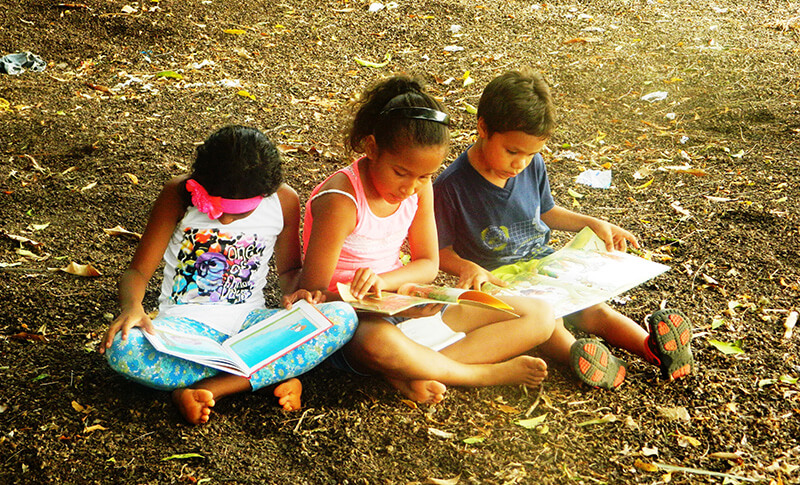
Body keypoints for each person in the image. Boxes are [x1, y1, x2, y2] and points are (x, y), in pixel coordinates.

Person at [299, 75, 556, 404]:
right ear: (372, 148)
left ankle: (412, 369)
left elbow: (427, 264)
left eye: (423, 176)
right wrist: (365, 293)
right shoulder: (342, 201)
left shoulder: (420, 188)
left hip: (404, 307)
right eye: (401, 173)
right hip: (354, 321)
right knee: (375, 342)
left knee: (539, 315)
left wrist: (392, 285)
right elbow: (313, 295)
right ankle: (474, 373)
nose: (410, 188)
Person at [433, 69, 694, 390]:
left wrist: (592, 222)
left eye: (531, 154)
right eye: (513, 151)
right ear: (483, 127)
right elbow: (439, 251)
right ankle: (585, 358)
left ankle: (653, 349)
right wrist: (468, 267)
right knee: (550, 321)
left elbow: (547, 212)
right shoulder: (451, 187)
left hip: (545, 265)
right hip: (501, 282)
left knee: (594, 309)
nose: (521, 164)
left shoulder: (532, 167)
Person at [99, 125, 357, 424]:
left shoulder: (284, 200)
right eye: (218, 208)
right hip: (185, 329)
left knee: (341, 316)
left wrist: (297, 294)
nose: (225, 218)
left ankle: (213, 387)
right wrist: (132, 307)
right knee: (121, 348)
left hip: (251, 326)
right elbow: (137, 271)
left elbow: (289, 271)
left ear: (266, 193)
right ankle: (268, 374)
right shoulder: (177, 194)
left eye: (239, 212)